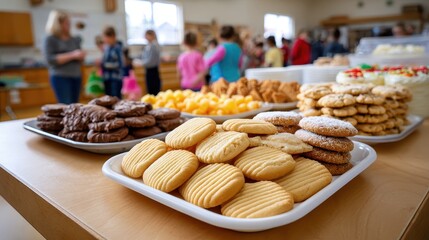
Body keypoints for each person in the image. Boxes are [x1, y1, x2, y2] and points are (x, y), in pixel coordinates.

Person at [43, 10, 86, 104]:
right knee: (66, 105)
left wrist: (81, 56)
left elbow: (80, 59)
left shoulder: (73, 39)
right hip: (61, 77)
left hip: (76, 76)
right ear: (58, 24)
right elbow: (50, 60)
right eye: (66, 23)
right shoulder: (51, 39)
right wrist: (72, 55)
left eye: (69, 23)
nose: (69, 25)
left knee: (75, 105)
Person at [101, 26, 123, 98]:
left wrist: (105, 65)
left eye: (106, 37)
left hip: (115, 78)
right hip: (107, 78)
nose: (105, 39)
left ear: (112, 37)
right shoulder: (106, 48)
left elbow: (120, 64)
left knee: (115, 98)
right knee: (108, 99)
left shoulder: (117, 48)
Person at [142, 30, 162, 95]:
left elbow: (151, 61)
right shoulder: (148, 45)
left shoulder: (154, 45)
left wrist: (142, 63)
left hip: (153, 70)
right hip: (149, 70)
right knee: (150, 90)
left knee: (154, 90)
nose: (146, 37)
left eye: (147, 35)